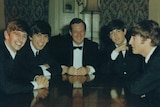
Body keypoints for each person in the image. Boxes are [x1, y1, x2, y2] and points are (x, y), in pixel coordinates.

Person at [0, 19, 49, 96]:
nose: (20, 39)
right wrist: (36, 85)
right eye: (17, 34)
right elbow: (6, 87)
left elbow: (20, 72)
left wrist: (36, 78)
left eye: (24, 36)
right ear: (6, 35)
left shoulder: (17, 52)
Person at [126, 20, 160, 107]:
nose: (129, 42)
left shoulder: (157, 61)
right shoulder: (152, 57)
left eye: (133, 38)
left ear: (147, 40)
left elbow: (135, 88)